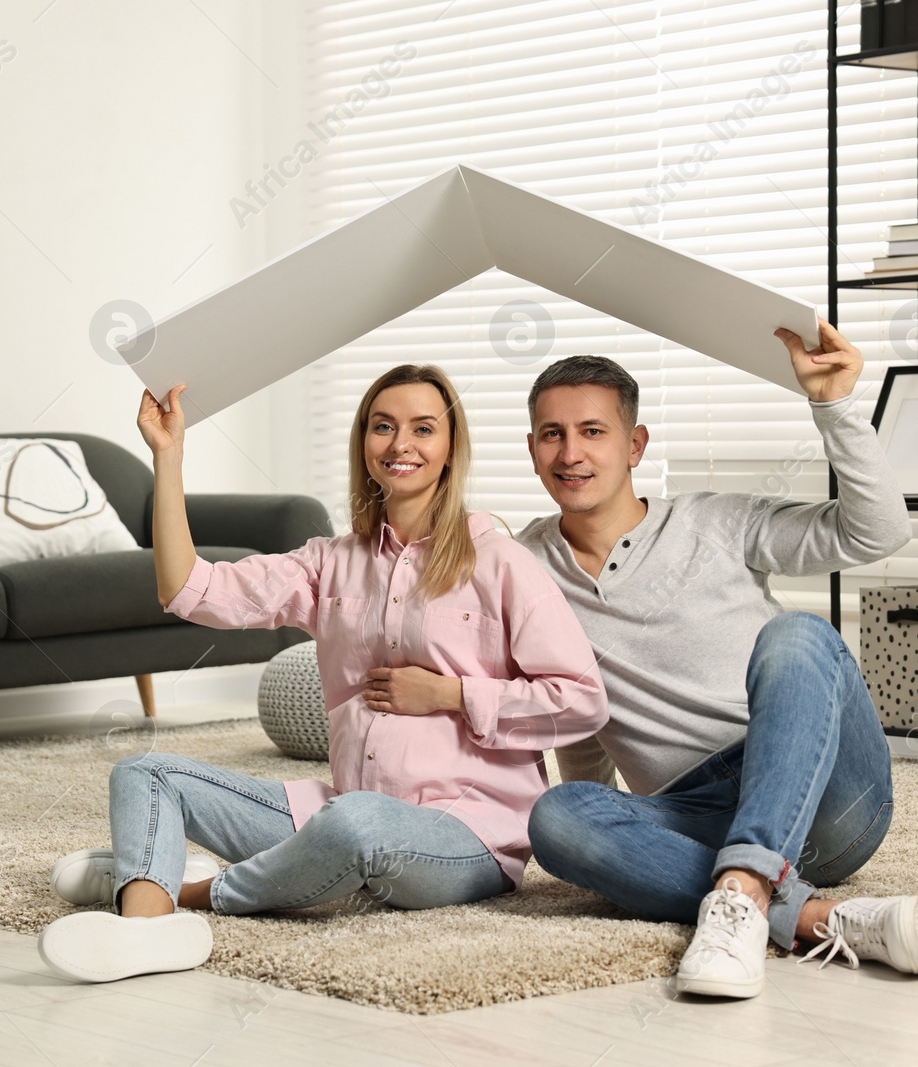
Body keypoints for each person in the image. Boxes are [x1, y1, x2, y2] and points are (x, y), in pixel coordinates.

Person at [37, 364, 610, 984]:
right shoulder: (329, 562)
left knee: (356, 825)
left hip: (466, 835)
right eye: (383, 427)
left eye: (423, 428)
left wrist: (449, 694)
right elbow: (188, 589)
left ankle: (189, 889)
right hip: (343, 807)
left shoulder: (499, 561)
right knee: (147, 773)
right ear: (363, 444)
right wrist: (168, 457)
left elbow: (581, 702)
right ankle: (146, 930)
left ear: (450, 450)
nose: (401, 445)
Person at [519, 320, 918, 999]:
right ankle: (800, 911)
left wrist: (835, 407)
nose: (572, 452)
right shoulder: (523, 566)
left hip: (824, 793)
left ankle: (743, 888)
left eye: (593, 431)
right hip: (692, 810)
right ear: (533, 449)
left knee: (798, 634)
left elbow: (877, 531)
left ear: (634, 445)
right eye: (552, 434)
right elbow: (570, 700)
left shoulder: (715, 521)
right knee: (556, 816)